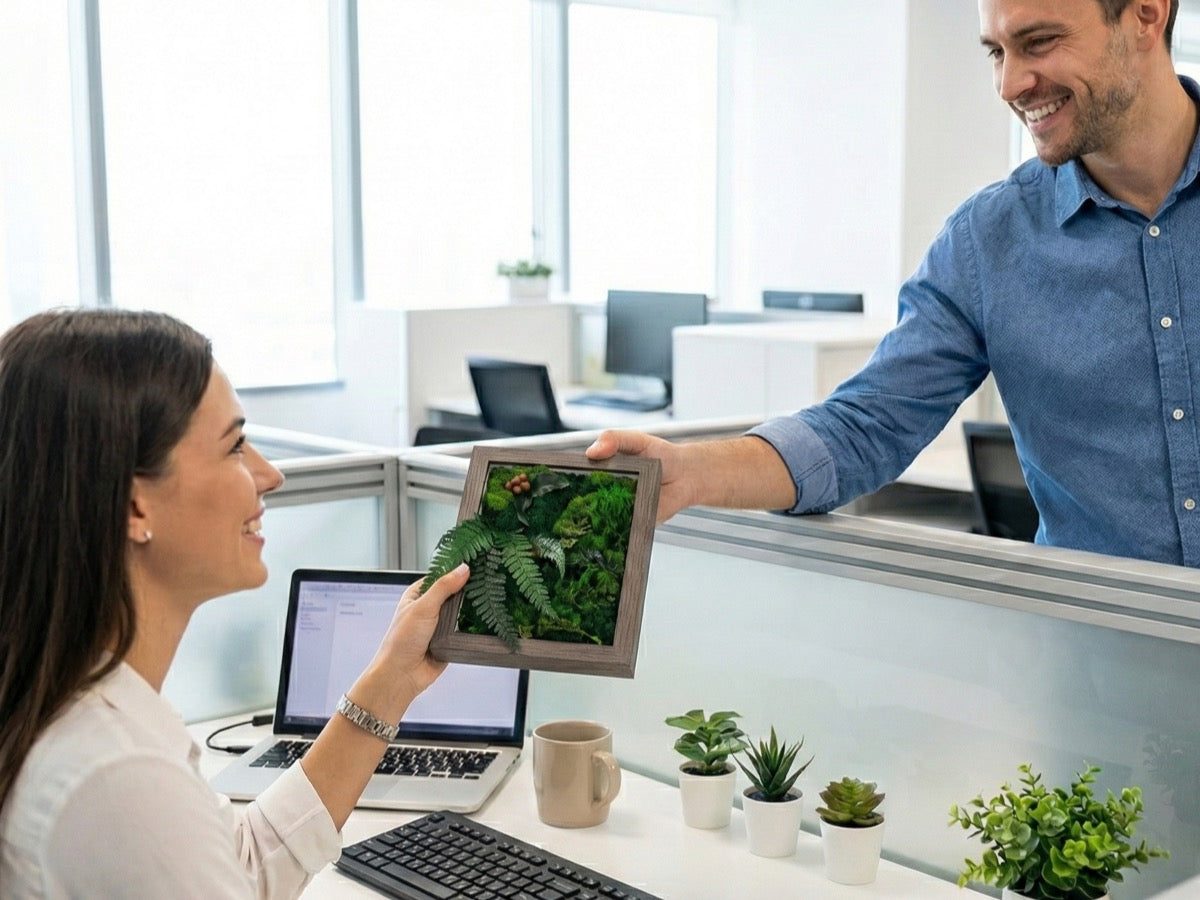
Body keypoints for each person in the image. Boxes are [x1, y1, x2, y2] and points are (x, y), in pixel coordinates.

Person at [589, 0, 1200, 568]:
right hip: (1102, 654)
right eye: (996, 52)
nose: (1010, 84)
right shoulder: (988, 242)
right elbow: (866, 424)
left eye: (1038, 42)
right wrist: (692, 472)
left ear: (1146, 14)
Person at [0, 308, 470, 897]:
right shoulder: (117, 777)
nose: (269, 475)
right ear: (134, 506)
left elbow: (241, 865)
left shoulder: (79, 712)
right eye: (235, 447)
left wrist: (392, 678)